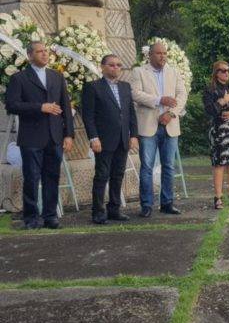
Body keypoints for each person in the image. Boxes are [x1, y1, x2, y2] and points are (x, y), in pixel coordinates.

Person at [4, 41, 73, 229]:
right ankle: (31, 218)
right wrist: (40, 107)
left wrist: (69, 135)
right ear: (29, 55)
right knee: (32, 178)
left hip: (54, 136)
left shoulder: (56, 76)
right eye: (39, 51)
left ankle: (50, 216)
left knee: (52, 177)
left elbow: (66, 107)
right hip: (32, 137)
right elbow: (11, 105)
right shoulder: (20, 78)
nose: (44, 54)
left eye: (46, 51)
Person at [130, 42, 187, 217]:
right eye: (159, 53)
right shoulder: (139, 71)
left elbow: (182, 95)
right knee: (147, 167)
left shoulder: (174, 72)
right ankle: (147, 205)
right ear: (150, 55)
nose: (163, 56)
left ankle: (167, 203)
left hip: (170, 125)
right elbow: (135, 93)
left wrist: (171, 114)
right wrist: (159, 100)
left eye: (165, 53)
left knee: (169, 166)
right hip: (148, 126)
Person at [81, 54, 139, 225]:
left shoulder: (125, 87)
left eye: (119, 65)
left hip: (122, 139)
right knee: (102, 175)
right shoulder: (93, 87)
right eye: (112, 65)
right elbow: (88, 116)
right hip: (103, 140)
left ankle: (114, 209)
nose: (116, 68)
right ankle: (98, 212)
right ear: (102, 67)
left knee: (118, 175)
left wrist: (133, 135)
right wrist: (93, 138)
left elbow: (130, 113)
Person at [202, 60, 229, 210]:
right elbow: (209, 111)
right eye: (223, 70)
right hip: (219, 132)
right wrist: (223, 101)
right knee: (219, 165)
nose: (226, 73)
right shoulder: (210, 90)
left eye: (228, 70)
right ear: (216, 73)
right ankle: (218, 197)